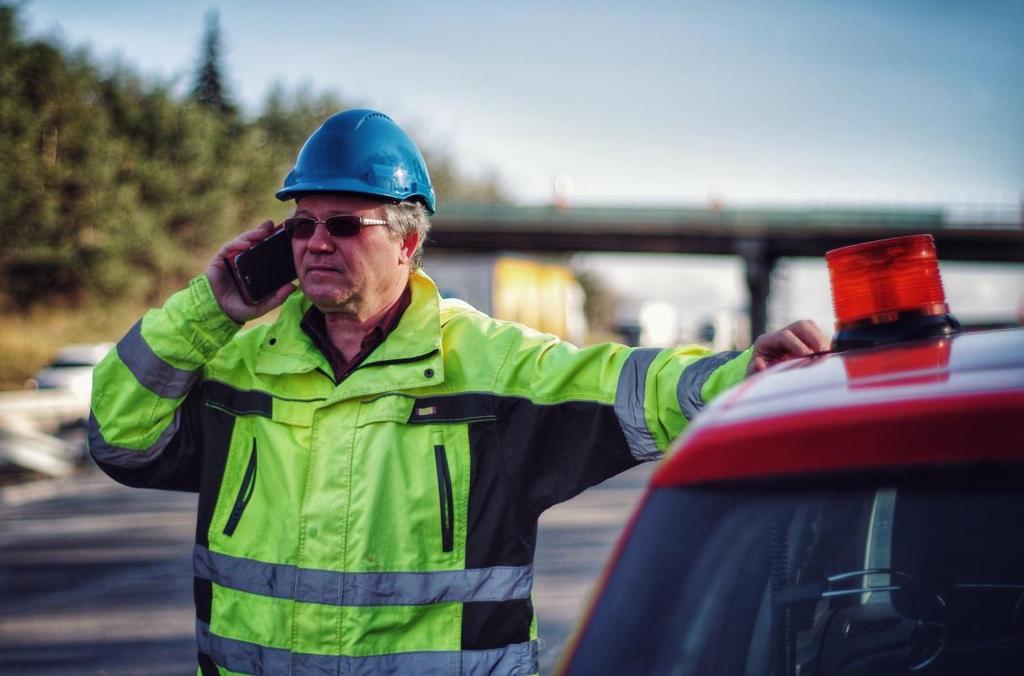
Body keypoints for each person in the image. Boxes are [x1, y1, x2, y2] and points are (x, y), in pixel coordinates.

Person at [88, 109, 828, 675]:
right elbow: (118, 435)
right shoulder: (237, 365)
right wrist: (207, 307)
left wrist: (739, 373)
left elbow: (630, 384)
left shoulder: (486, 368)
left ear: (409, 243)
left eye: (344, 224)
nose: (316, 242)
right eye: (303, 222)